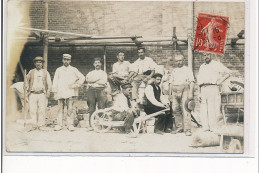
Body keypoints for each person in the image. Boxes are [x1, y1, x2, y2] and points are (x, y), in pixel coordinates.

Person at [197, 52, 231, 132]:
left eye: (208, 55)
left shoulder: (216, 64)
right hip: (203, 88)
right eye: (204, 55)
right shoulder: (202, 67)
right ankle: (205, 127)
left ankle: (213, 127)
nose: (206, 57)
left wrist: (220, 81)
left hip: (212, 87)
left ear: (211, 55)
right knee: (203, 109)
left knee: (212, 109)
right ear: (203, 57)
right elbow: (199, 81)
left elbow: (229, 72)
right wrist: (199, 93)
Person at [52, 54, 85, 131]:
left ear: (70, 61)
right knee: (60, 109)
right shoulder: (59, 70)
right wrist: (54, 91)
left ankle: (70, 124)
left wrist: (76, 85)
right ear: (62, 60)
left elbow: (82, 77)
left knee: (70, 109)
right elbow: (55, 81)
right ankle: (59, 124)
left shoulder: (74, 69)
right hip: (60, 92)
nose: (66, 61)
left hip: (70, 92)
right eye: (64, 59)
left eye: (68, 60)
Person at [168, 55, 195, 136]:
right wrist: (170, 94)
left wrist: (190, 93)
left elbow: (192, 82)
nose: (178, 62)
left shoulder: (187, 69)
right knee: (175, 109)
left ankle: (187, 129)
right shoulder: (174, 71)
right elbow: (170, 83)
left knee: (186, 109)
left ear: (183, 60)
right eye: (176, 61)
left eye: (180, 60)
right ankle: (179, 127)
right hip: (174, 90)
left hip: (184, 89)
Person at [26, 56, 52, 130]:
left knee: (42, 110)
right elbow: (26, 81)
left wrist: (48, 92)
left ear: (42, 64)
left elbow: (49, 83)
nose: (38, 63)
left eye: (40, 62)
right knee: (32, 110)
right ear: (34, 63)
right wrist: (26, 86)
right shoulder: (31, 72)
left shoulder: (45, 72)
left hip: (42, 94)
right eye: (37, 62)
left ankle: (41, 125)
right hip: (33, 94)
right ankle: (33, 124)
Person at [86, 57, 108, 126]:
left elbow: (104, 82)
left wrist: (93, 81)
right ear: (93, 64)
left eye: (98, 63)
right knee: (91, 107)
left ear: (101, 64)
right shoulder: (90, 73)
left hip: (100, 90)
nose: (97, 64)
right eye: (96, 63)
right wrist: (98, 80)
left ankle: (102, 124)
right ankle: (91, 125)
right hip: (91, 90)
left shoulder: (103, 73)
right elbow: (88, 80)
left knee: (101, 107)